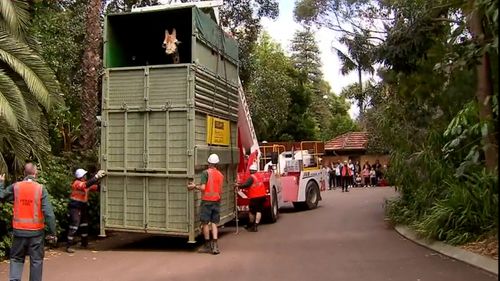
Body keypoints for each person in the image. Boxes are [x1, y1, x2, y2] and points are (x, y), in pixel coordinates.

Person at [0, 162, 57, 281]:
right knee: (36, 261)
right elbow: (49, 214)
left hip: (19, 232)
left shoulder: (16, 187)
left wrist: (1, 183)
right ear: (35, 173)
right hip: (36, 233)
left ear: (24, 173)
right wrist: (53, 232)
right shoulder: (40, 189)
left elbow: (1, 196)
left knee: (16, 258)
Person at [187, 153, 224, 255]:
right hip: (217, 200)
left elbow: (203, 188)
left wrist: (194, 186)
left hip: (207, 201)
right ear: (217, 164)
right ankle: (215, 246)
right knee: (214, 223)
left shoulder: (205, 173)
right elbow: (220, 190)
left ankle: (207, 245)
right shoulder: (221, 175)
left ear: (209, 163)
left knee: (205, 223)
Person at [66, 168, 106, 253]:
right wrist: (96, 176)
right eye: (84, 175)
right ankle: (68, 246)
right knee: (74, 225)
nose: (86, 176)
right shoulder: (76, 183)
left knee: (84, 225)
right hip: (75, 207)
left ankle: (84, 243)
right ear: (81, 176)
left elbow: (96, 187)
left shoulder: (86, 184)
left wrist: (103, 180)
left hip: (82, 207)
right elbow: (86, 185)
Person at [235, 164, 266, 232]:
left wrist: (238, 185)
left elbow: (246, 185)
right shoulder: (260, 176)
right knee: (259, 211)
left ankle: (251, 225)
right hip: (262, 196)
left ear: (251, 171)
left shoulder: (251, 177)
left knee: (251, 212)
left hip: (255, 197)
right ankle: (256, 225)